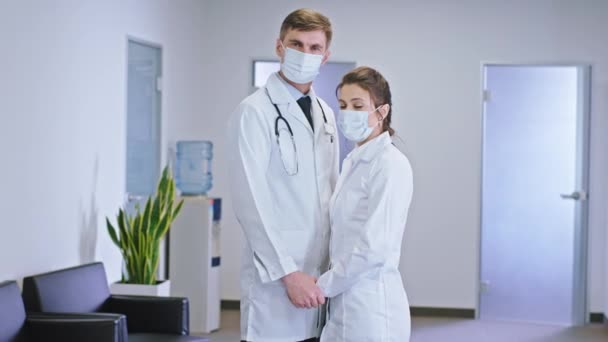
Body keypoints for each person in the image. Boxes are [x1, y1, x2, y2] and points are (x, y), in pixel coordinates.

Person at [227, 8, 339, 342]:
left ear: (326, 56)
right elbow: (251, 204)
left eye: (314, 48)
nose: (305, 54)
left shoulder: (326, 114)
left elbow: (328, 194)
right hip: (277, 281)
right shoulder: (254, 112)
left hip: (319, 277)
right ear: (279, 48)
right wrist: (288, 273)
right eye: (296, 44)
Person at [316, 66, 414, 341]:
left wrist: (322, 287)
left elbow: (374, 247)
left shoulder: (390, 164)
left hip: (372, 309)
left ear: (382, 112)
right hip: (344, 303)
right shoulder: (353, 162)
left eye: (358, 106)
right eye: (343, 105)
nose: (348, 114)